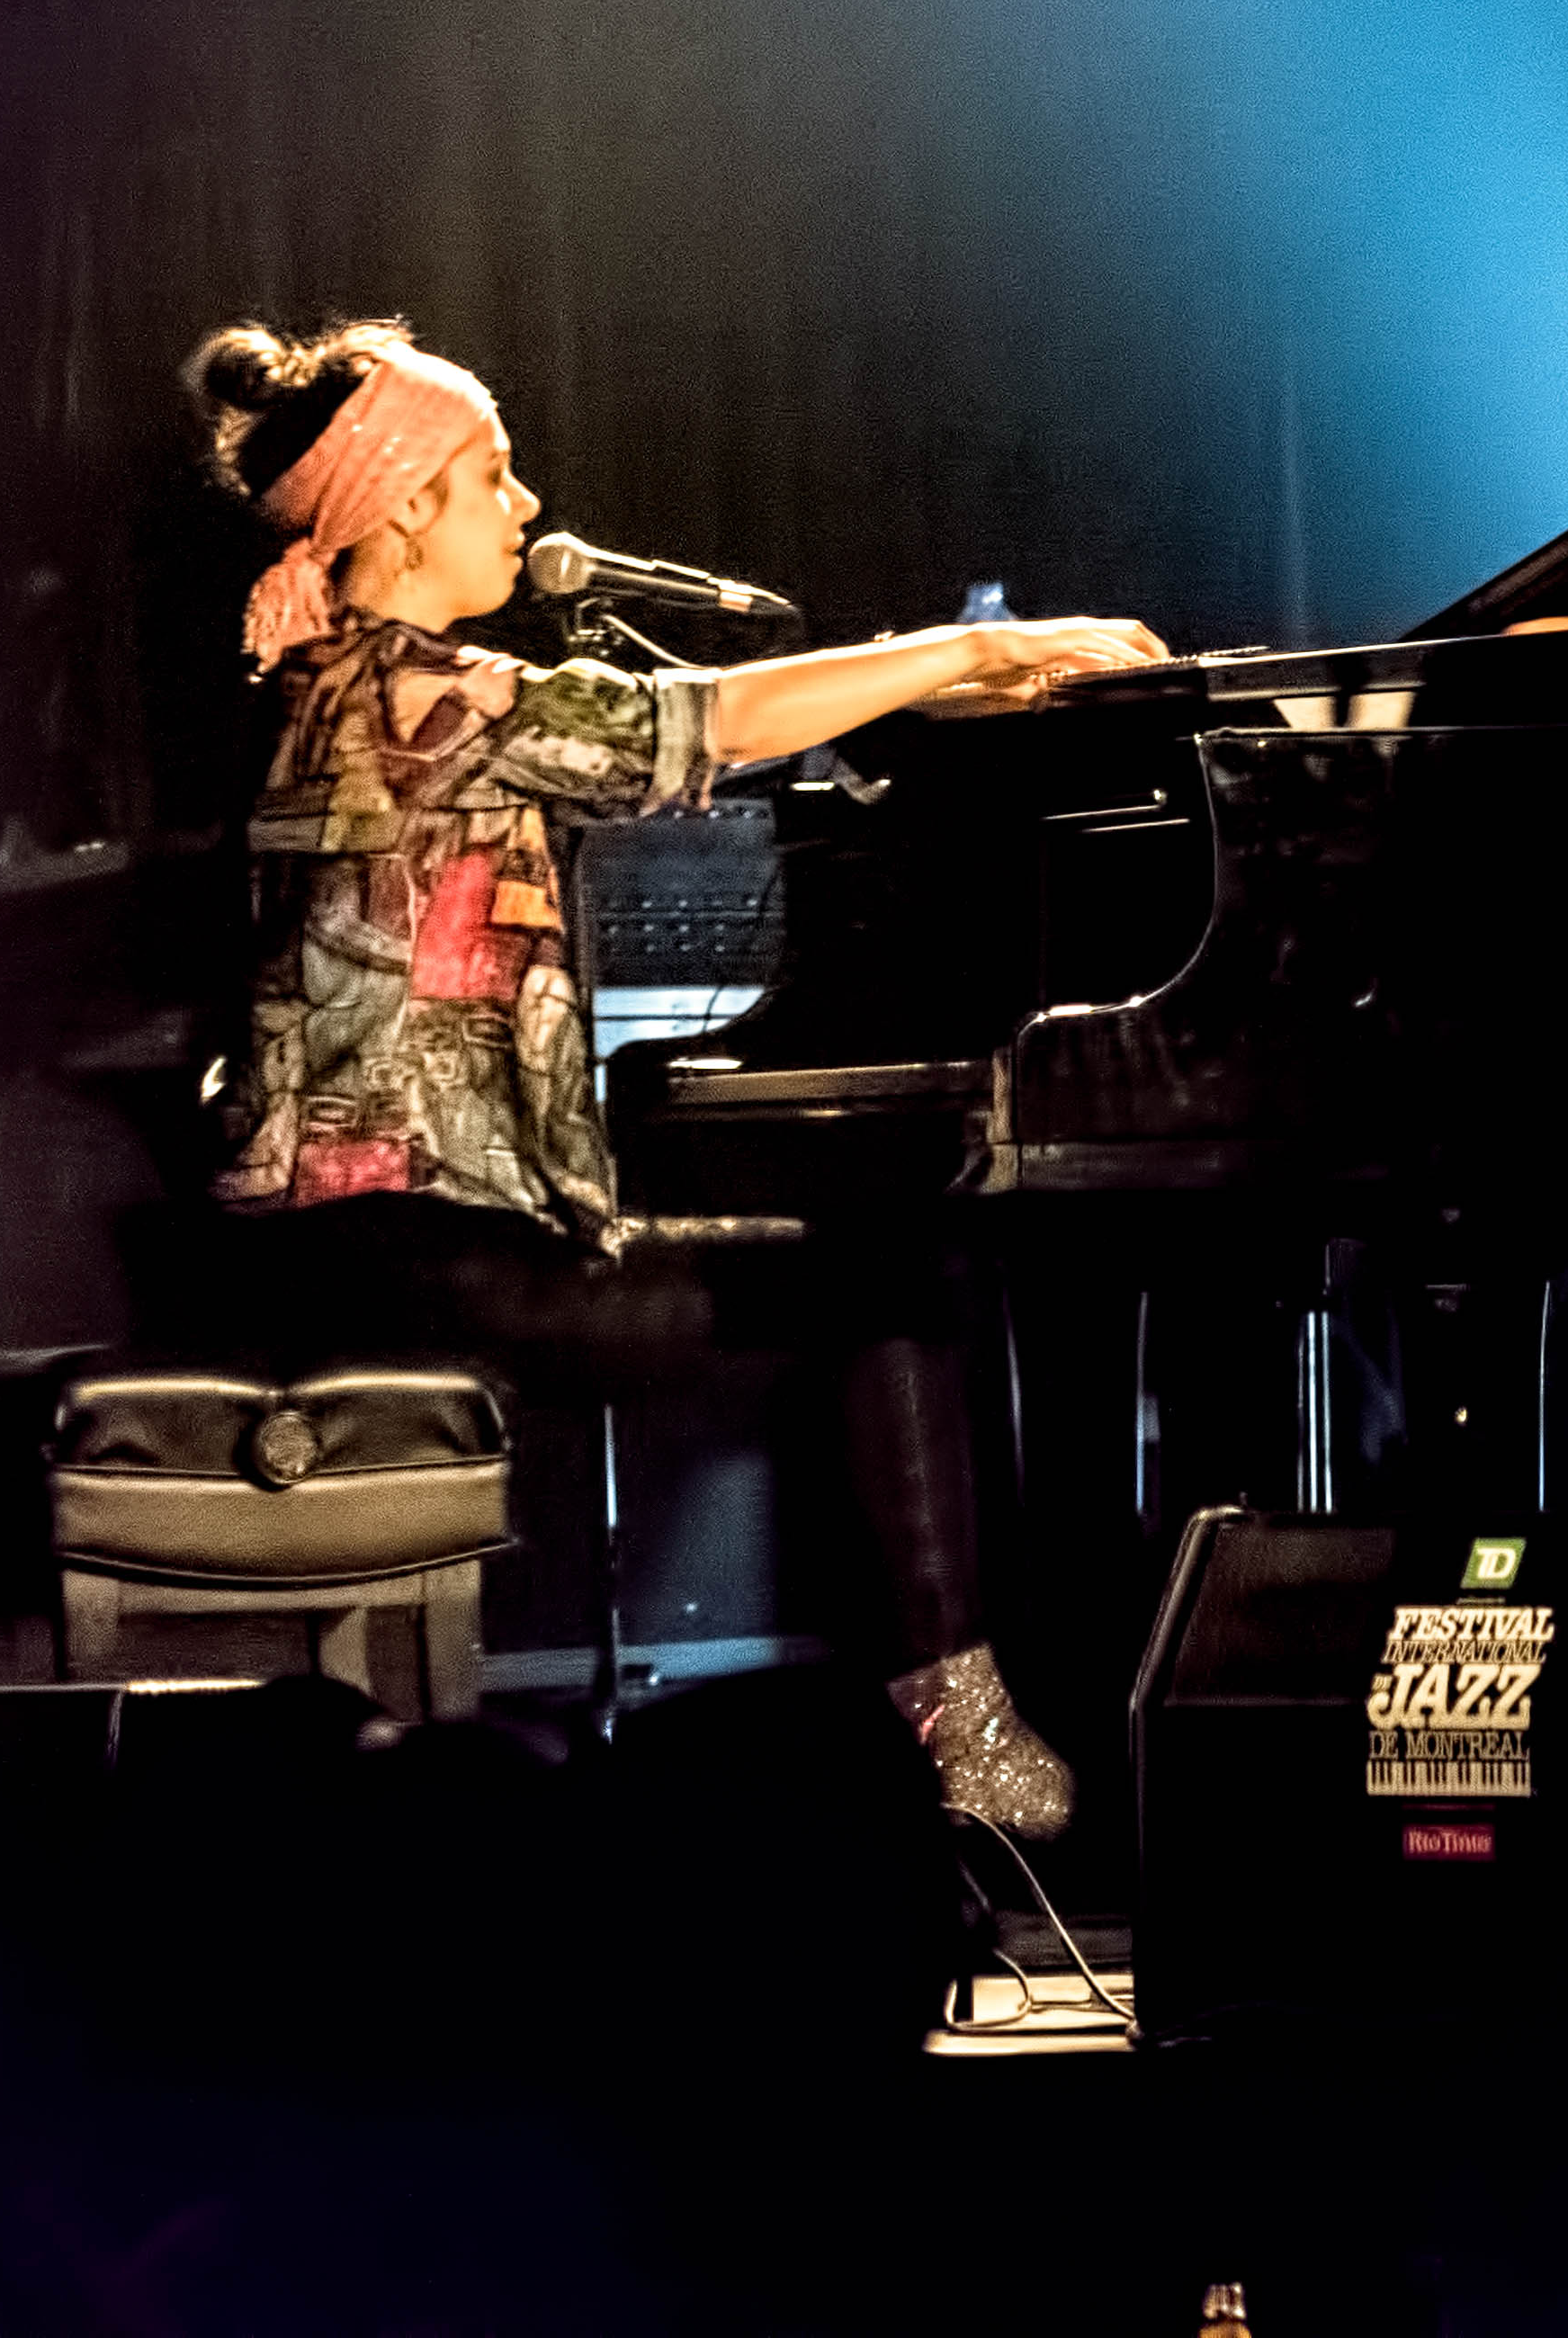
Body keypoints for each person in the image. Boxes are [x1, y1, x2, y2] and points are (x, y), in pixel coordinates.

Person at [180, 316, 1165, 1830]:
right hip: (406, 1260)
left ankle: (905, 1737)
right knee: (884, 1284)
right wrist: (974, 645)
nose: (523, 506)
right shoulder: (414, 696)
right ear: (400, 511)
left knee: (845, 1275)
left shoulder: (329, 684)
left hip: (341, 1248)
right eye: (489, 475)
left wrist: (924, 690)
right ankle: (954, 1733)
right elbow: (690, 723)